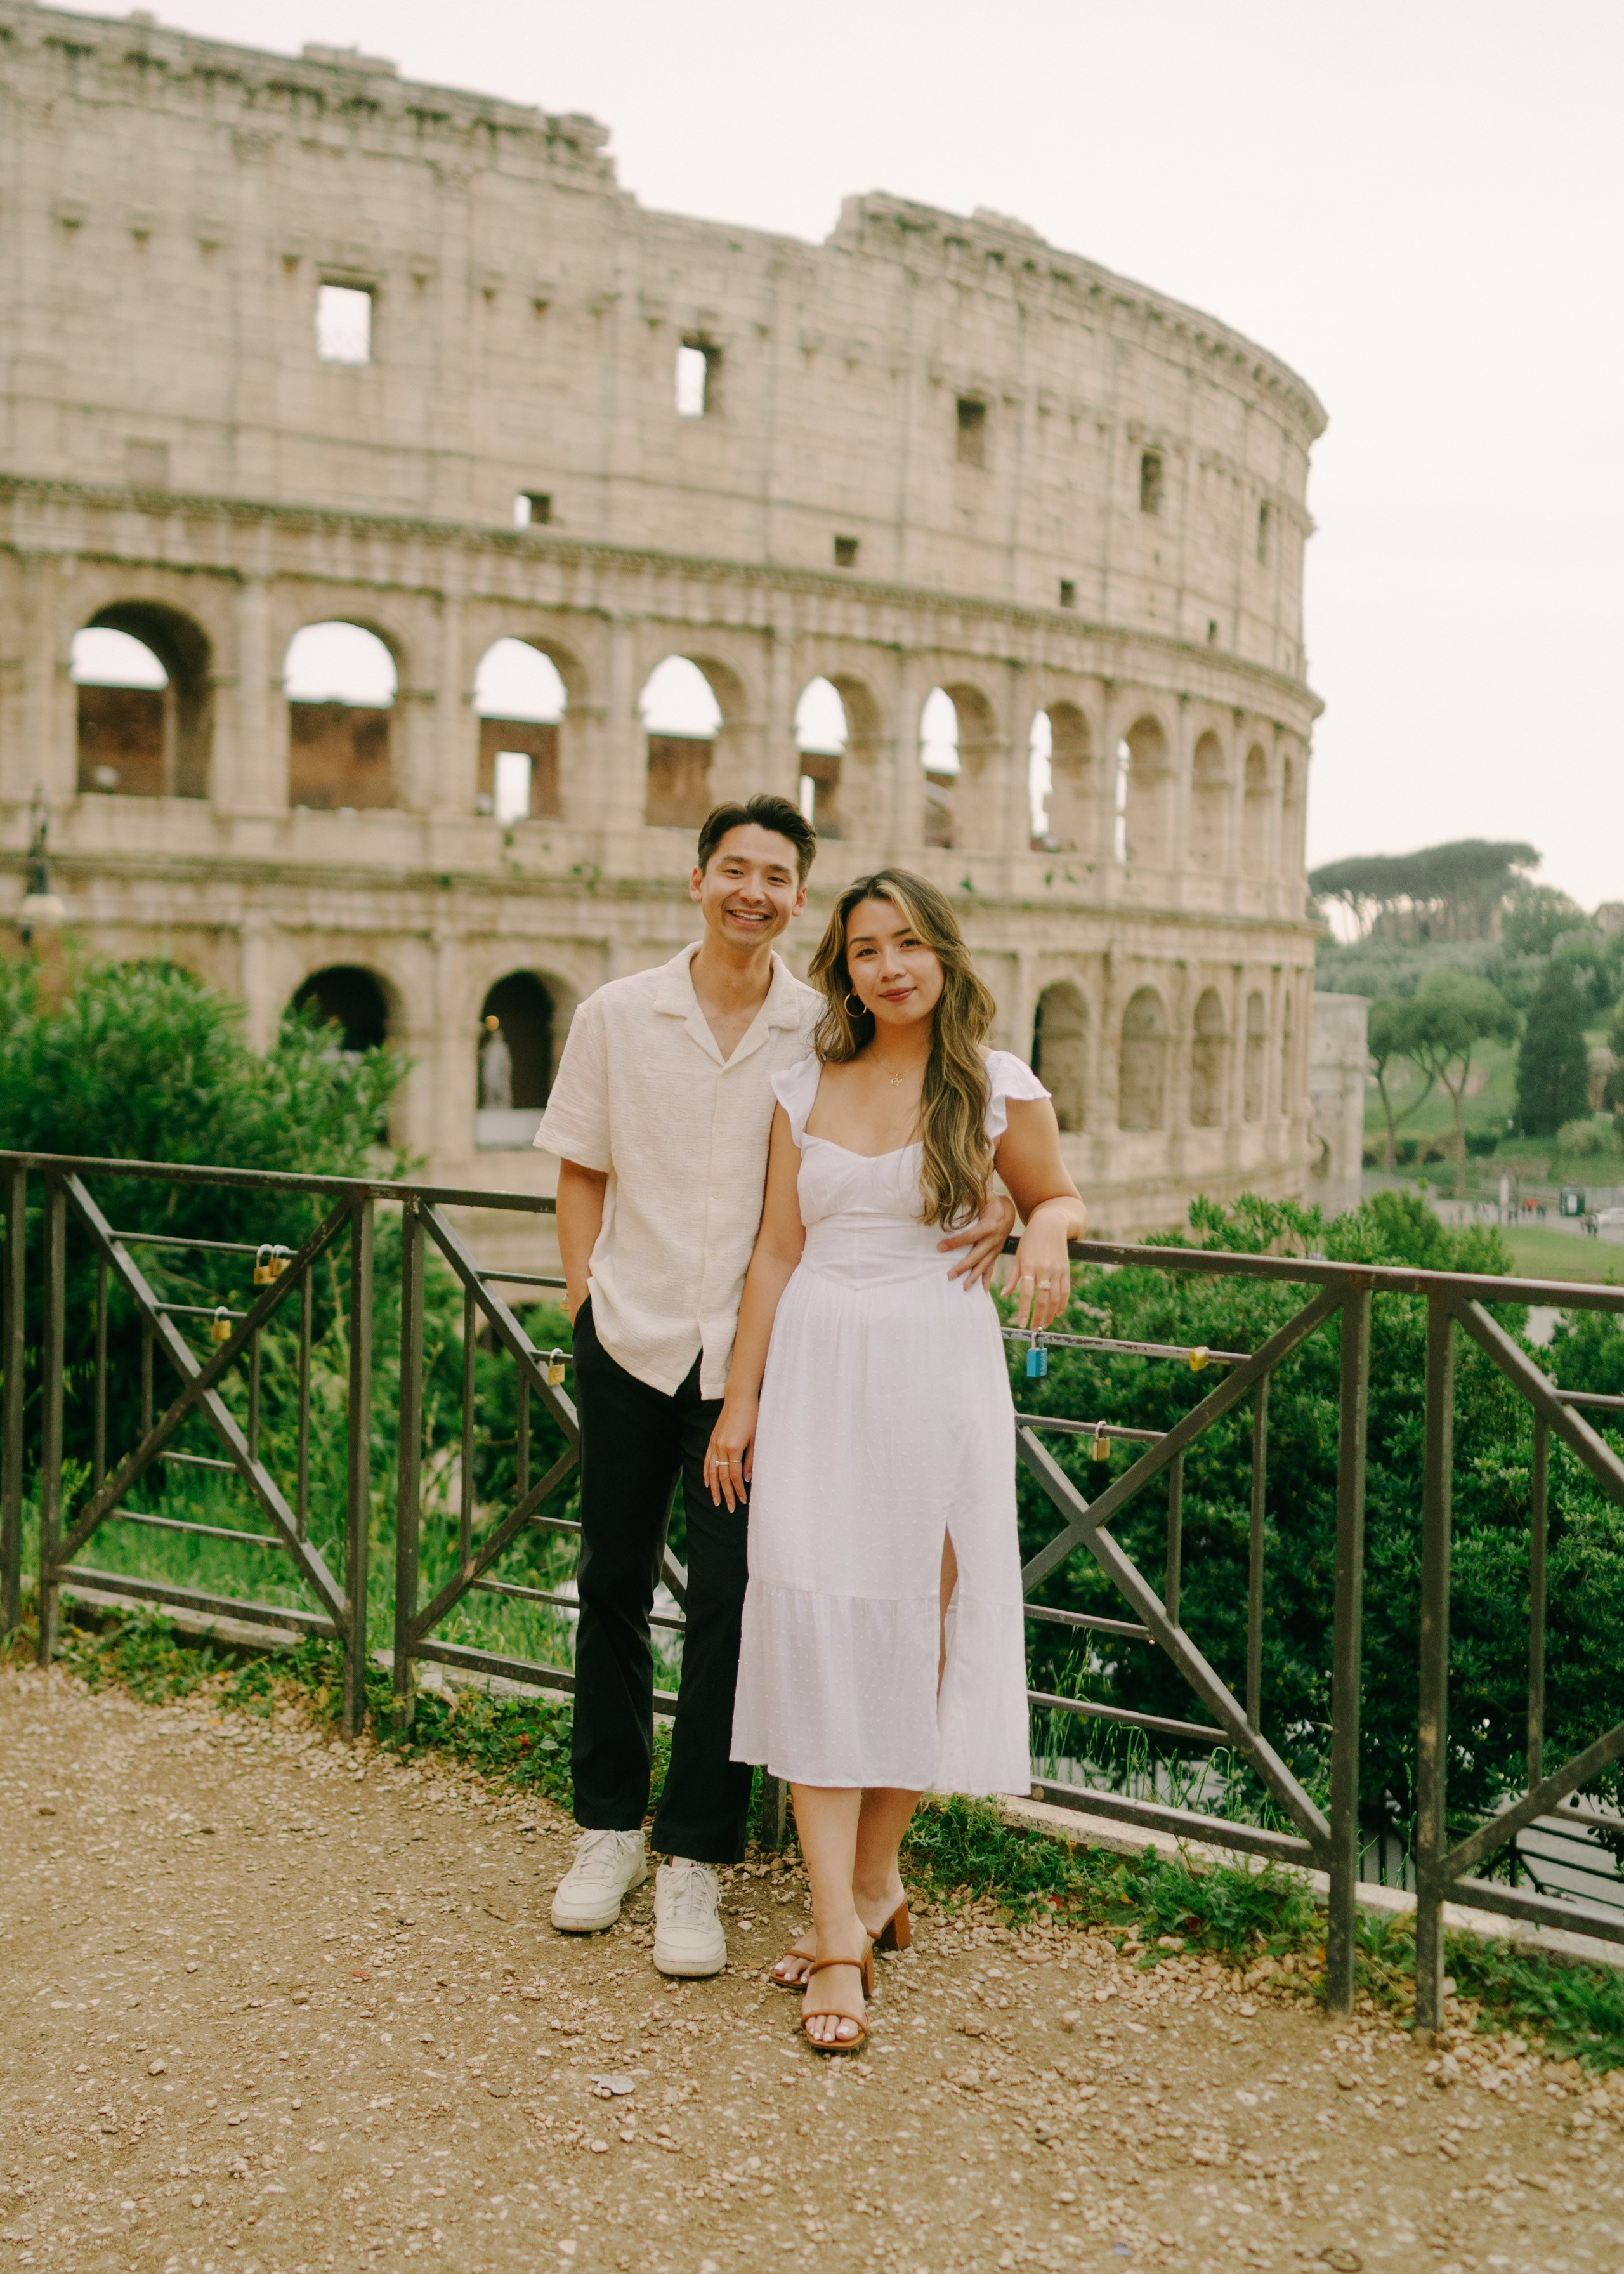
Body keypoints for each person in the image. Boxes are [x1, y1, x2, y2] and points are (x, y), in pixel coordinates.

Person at [534, 803, 1016, 1978]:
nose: (753, 891)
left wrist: (1007, 1199)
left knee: (736, 1607)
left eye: (778, 877)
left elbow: (934, 1118)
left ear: (799, 899)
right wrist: (584, 1297)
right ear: (698, 879)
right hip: (636, 1332)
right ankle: (607, 1833)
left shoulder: (821, 1027)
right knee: (609, 1586)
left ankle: (696, 1853)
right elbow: (577, 1166)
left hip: (759, 1362)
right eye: (734, 870)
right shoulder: (613, 1015)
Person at [707, 867, 1087, 2048]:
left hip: (935, 1369)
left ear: (944, 957)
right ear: (845, 969)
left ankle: (873, 1885)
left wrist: (1042, 1233)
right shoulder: (798, 1083)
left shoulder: (996, 1087)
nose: (891, 965)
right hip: (819, 1363)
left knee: (919, 1631)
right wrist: (739, 1404)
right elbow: (775, 1252)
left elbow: (1058, 1196)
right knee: (815, 1623)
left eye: (911, 943)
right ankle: (834, 1937)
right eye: (868, 948)